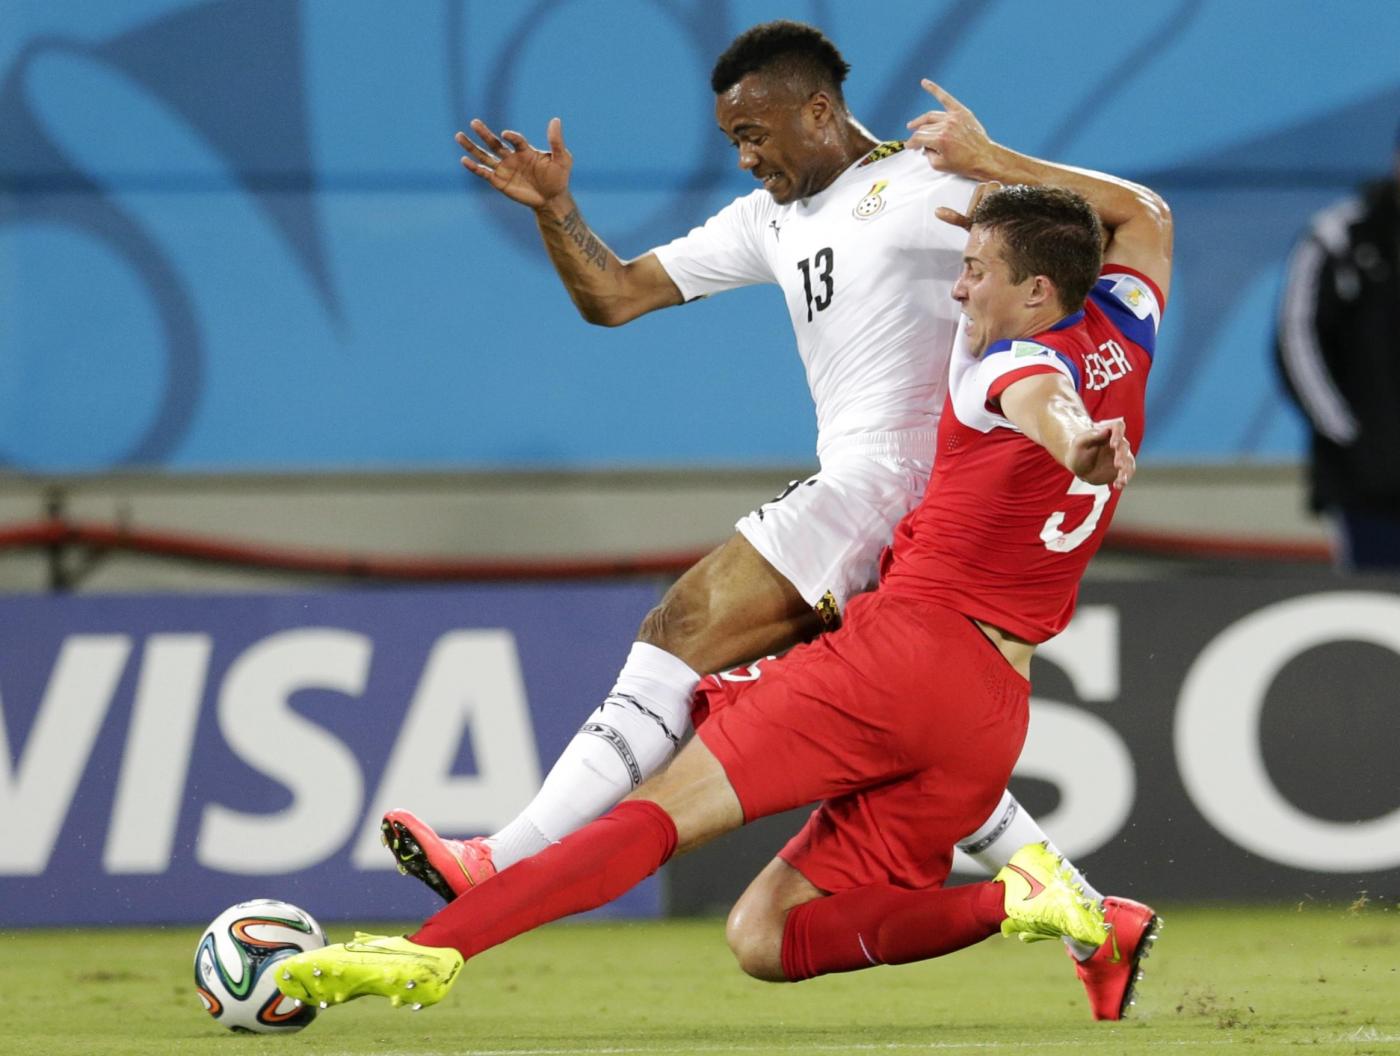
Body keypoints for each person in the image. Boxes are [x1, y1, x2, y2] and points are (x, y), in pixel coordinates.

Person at [277, 88, 1174, 1017]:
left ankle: (436, 945)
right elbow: (1146, 216)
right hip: (993, 709)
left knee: (657, 810)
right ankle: (1031, 903)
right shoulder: (1127, 327)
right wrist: (1000, 176)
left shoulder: (1011, 364)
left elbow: (1043, 399)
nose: (956, 288)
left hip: (907, 655)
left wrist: (1074, 438)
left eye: (975, 271)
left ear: (1037, 292)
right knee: (764, 936)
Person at [1275, 118, 1400, 570]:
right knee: (1377, 600)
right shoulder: (1340, 235)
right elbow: (1297, 341)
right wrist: (1353, 437)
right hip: (1371, 483)